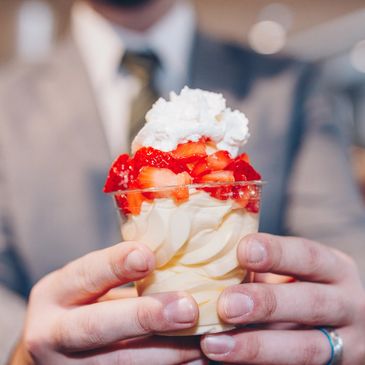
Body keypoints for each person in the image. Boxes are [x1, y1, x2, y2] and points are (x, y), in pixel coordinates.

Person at [1, 0, 365, 364]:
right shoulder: (8, 102)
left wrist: (347, 323)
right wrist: (19, 352)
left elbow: (343, 246)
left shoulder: (293, 84)